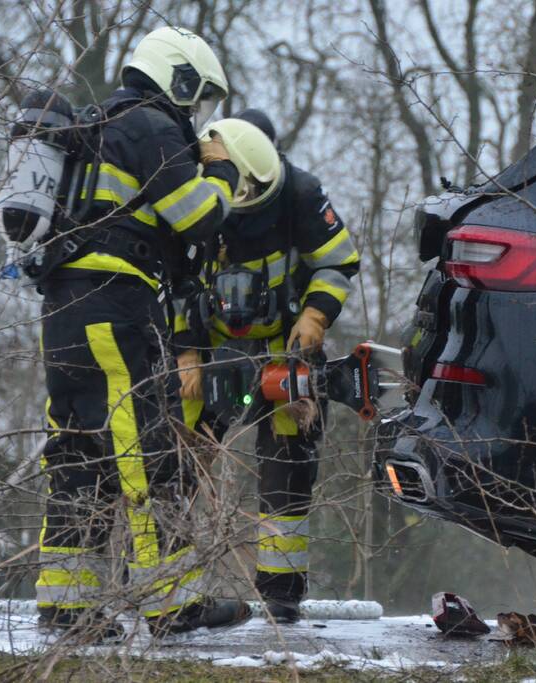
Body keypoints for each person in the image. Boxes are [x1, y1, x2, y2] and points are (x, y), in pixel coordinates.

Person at [34, 26, 251, 641]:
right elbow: (197, 216)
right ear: (177, 76)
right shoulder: (150, 125)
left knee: (78, 450)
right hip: (116, 307)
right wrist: (221, 170)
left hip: (66, 309)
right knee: (147, 450)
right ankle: (172, 603)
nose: (197, 111)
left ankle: (67, 603)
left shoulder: (98, 124)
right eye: (198, 95)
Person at [178, 110, 360, 622]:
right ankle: (168, 587)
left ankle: (280, 595)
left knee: (288, 468)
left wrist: (316, 314)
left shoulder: (300, 193)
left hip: (285, 349)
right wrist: (185, 351)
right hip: (209, 352)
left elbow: (337, 261)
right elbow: (174, 283)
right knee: (176, 461)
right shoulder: (194, 194)